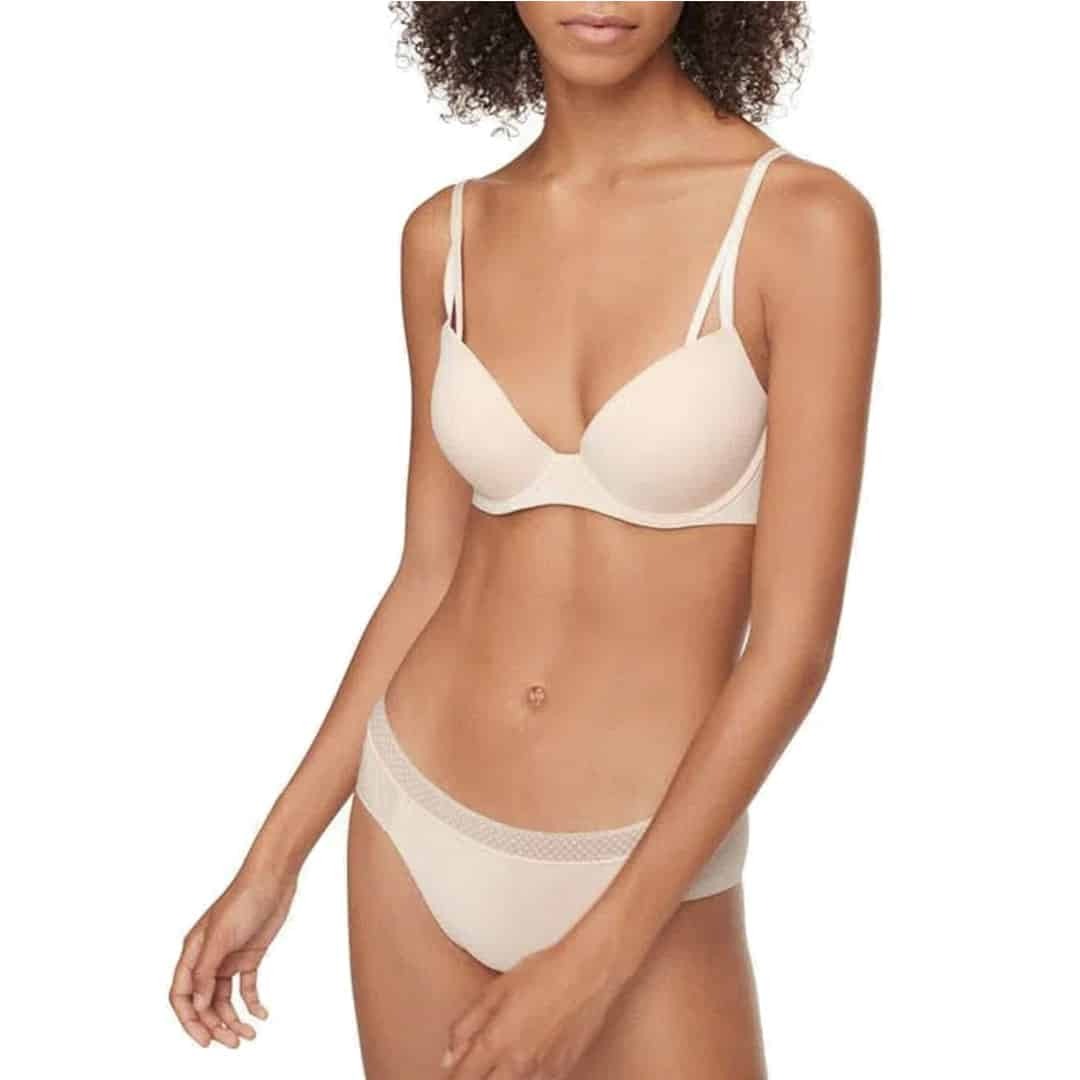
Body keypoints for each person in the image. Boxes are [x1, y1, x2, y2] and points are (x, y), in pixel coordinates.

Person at [169, 3, 880, 1076]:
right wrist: (273, 859)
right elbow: (428, 574)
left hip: (645, 869)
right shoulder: (444, 235)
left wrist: (598, 957)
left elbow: (793, 647)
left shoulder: (801, 223)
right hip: (415, 827)